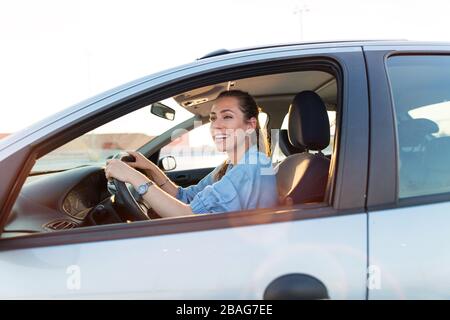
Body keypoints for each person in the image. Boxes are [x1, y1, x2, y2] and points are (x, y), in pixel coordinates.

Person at [104, 90, 278, 218]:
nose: (216, 125)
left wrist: (133, 177)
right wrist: (150, 168)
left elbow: (186, 216)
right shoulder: (232, 166)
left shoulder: (251, 166)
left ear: (250, 125)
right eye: (213, 118)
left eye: (227, 117)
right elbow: (185, 197)